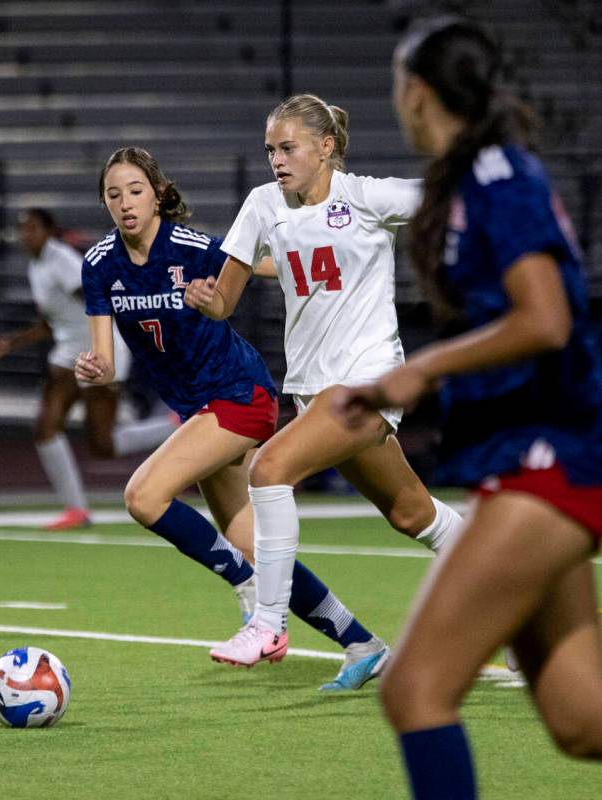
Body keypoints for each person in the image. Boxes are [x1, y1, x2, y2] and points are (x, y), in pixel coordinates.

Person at [332, 17, 602, 797]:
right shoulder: (471, 181)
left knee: (415, 690)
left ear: (417, 92)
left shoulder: (498, 178)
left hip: (552, 461)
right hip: (530, 459)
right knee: (587, 719)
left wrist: (419, 370)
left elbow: (545, 318)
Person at [75, 146, 392, 691]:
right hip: (197, 408)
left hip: (238, 394)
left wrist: (321, 265)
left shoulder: (190, 247)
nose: (125, 203)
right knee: (256, 546)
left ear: (157, 194)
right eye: (113, 194)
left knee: (143, 497)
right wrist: (94, 368)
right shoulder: (99, 265)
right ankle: (362, 643)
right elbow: (104, 366)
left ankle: (246, 587)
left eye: (134, 190)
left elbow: (256, 264)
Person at [184, 93, 463, 667]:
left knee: (269, 467)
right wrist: (206, 300)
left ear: (326, 147)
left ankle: (267, 624)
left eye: (288, 148)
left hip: (367, 379)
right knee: (413, 514)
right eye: (270, 150)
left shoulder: (365, 196)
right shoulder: (264, 205)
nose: (276, 160)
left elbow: (451, 198)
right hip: (315, 392)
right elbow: (225, 301)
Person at [0, 208, 174, 531]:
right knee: (45, 428)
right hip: (68, 352)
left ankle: (175, 426)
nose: (25, 235)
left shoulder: (62, 260)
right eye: (21, 230)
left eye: (32, 228)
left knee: (103, 445)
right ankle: (76, 510)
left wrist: (119, 340)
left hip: (100, 351)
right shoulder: (37, 265)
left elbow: (97, 297)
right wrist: (9, 343)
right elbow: (51, 320)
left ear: (49, 230)